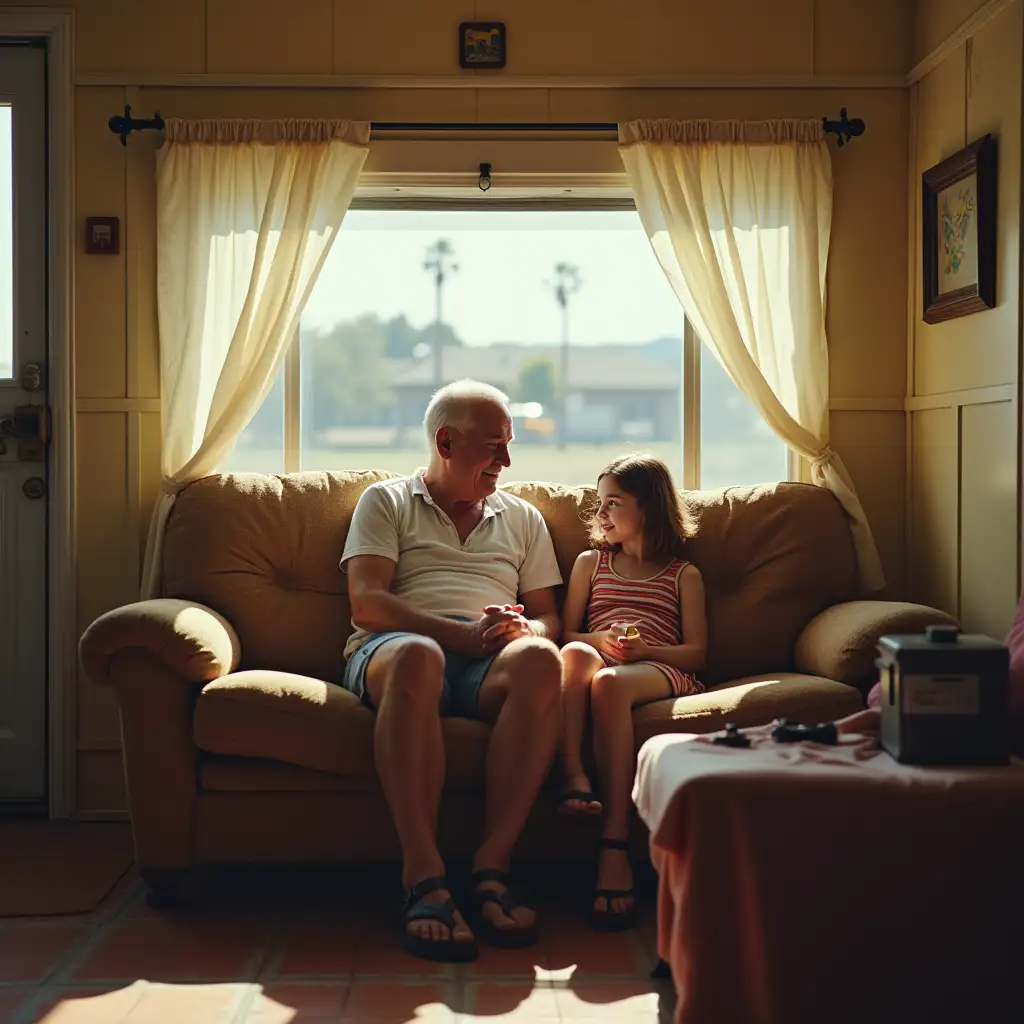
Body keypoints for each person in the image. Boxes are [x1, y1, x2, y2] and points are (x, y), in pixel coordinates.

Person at [340, 379, 564, 964]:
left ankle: (493, 866)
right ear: (445, 441)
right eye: (494, 446)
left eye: (508, 445)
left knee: (543, 660)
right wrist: (455, 633)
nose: (507, 461)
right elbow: (367, 601)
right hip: (399, 652)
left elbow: (549, 617)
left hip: (489, 662)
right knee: (421, 655)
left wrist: (524, 632)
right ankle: (424, 875)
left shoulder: (522, 518)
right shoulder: (386, 501)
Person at [558, 454, 707, 931]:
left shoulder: (684, 574)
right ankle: (574, 775)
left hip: (659, 667)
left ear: (649, 507)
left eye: (613, 503)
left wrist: (646, 649)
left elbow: (697, 653)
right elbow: (568, 633)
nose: (600, 514)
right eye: (598, 502)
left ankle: (615, 842)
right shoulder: (591, 563)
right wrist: (599, 640)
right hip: (604, 657)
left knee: (609, 682)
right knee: (579, 660)